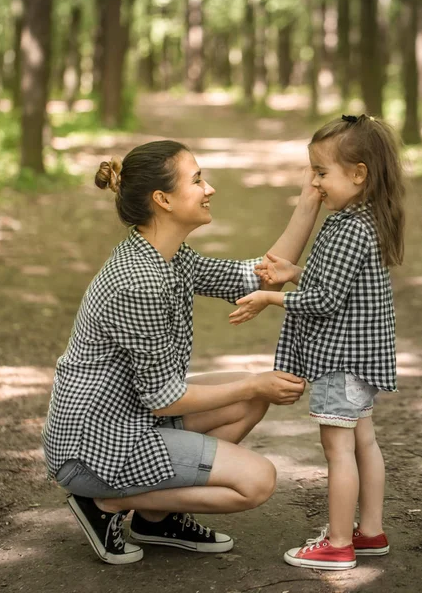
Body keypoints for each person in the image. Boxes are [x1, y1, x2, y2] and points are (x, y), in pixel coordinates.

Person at [42, 139, 321, 565]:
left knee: (252, 396)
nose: (209, 189)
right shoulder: (140, 281)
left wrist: (308, 200)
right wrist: (251, 383)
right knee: (257, 482)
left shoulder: (168, 256)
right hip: (97, 446)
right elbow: (165, 400)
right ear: (163, 199)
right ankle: (104, 505)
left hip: (130, 415)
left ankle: (158, 517)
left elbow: (260, 277)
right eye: (197, 180)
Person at [229, 114, 405, 571]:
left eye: (321, 172)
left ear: (358, 173)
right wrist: (293, 273)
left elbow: (326, 300)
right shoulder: (362, 219)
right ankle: (370, 532)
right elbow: (337, 282)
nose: (315, 182)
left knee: (338, 449)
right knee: (363, 442)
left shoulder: (349, 227)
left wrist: (273, 295)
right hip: (358, 361)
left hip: (340, 359)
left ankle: (340, 543)